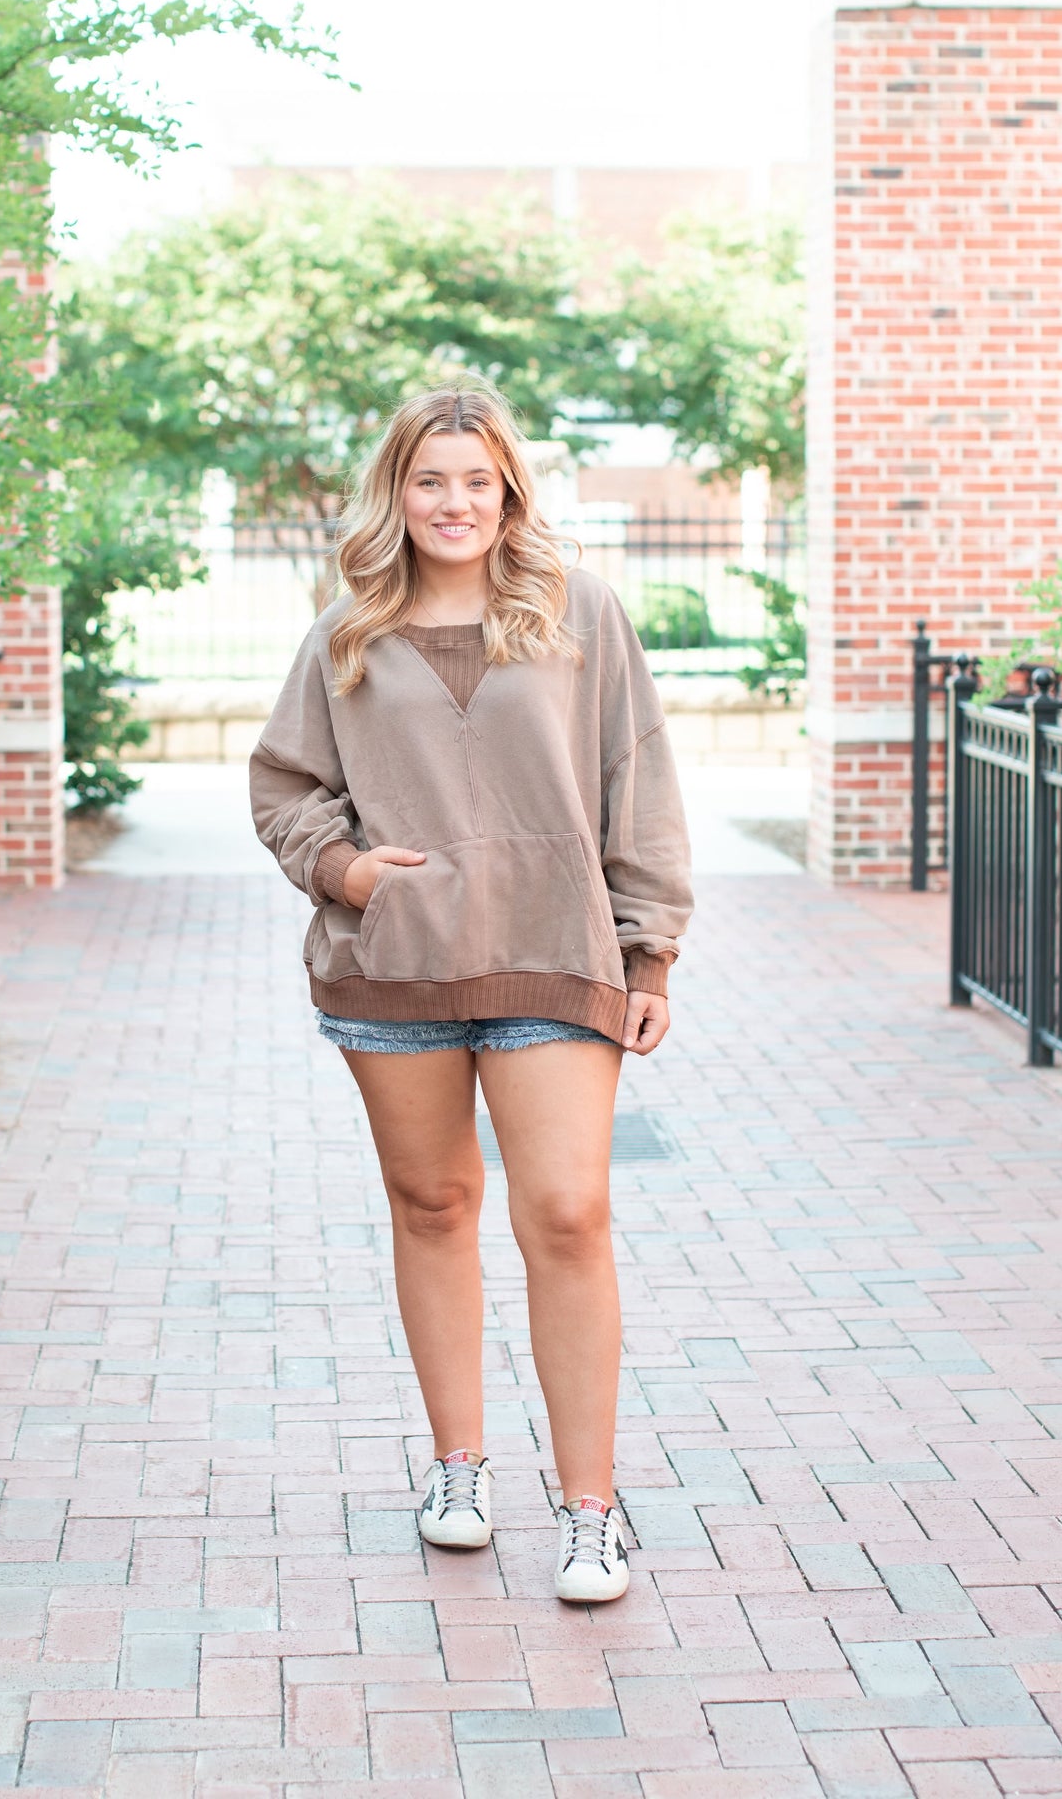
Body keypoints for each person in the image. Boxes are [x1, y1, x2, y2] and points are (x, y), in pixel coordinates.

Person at [250, 379, 692, 1603]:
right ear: (396, 490)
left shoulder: (577, 615)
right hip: (389, 964)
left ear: (509, 491)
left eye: (476, 480)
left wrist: (648, 949)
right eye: (429, 479)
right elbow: (284, 785)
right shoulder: (345, 633)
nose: (454, 502)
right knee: (434, 1203)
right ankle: (457, 1465)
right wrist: (342, 865)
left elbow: (635, 778)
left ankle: (590, 1506)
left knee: (565, 1212)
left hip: (553, 948)